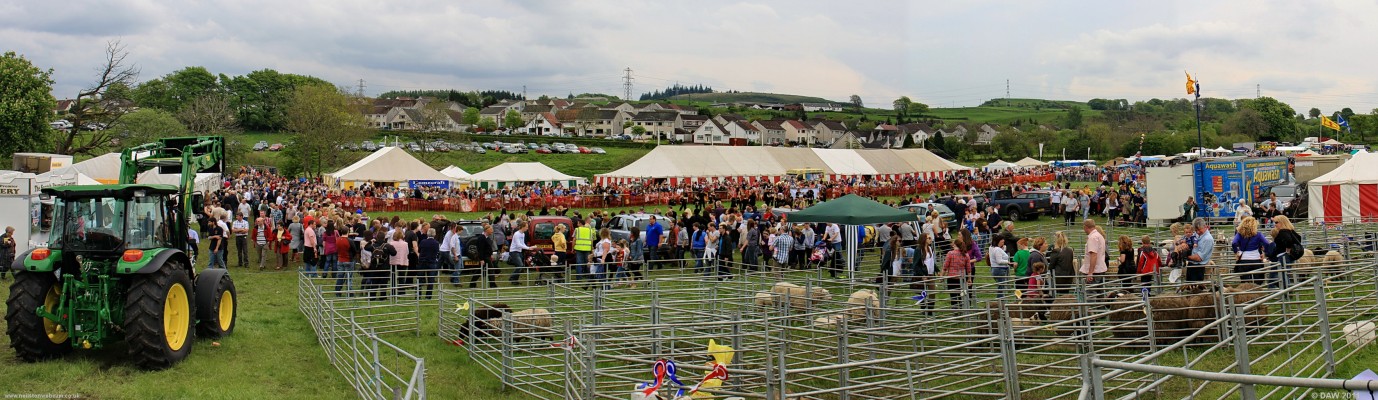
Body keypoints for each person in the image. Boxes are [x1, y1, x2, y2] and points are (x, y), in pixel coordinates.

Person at [1230, 216, 1270, 285]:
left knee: (1245, 282)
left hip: (1244, 260)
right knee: (1258, 281)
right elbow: (1266, 243)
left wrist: (1236, 251)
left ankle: (1246, 294)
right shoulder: (1258, 234)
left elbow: (1234, 243)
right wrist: (1265, 253)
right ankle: (1257, 294)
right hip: (1256, 259)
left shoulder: (1239, 234)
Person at [1267, 215, 1302, 289]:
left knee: (1283, 273)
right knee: (1284, 272)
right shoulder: (1290, 231)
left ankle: (1286, 291)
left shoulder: (1283, 231)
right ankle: (1286, 289)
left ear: (1282, 222)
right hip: (1289, 256)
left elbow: (1289, 240)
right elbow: (1299, 238)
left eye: (1276, 222)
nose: (1275, 224)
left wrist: (1288, 248)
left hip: (1283, 256)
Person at [942, 237, 971, 308]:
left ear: (954, 244)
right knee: (961, 294)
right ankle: (962, 308)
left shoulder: (950, 253)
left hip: (952, 277)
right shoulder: (965, 254)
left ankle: (955, 309)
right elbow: (968, 268)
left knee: (953, 295)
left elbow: (945, 266)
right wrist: (969, 279)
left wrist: (942, 276)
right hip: (961, 278)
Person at [1186, 218, 1215, 282]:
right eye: (1196, 230)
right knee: (1189, 286)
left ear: (1205, 226)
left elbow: (1199, 258)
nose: (1198, 232)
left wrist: (1185, 257)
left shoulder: (1207, 239)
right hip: (1191, 264)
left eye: (1199, 229)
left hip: (1198, 267)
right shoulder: (1197, 234)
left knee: (1196, 288)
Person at [1049, 232, 1076, 296]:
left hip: (1058, 277)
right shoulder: (1070, 250)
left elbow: (1051, 266)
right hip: (1069, 276)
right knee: (1065, 293)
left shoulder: (1056, 252)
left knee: (1057, 294)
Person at [1081, 219, 1107, 284]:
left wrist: (1090, 272)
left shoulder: (1093, 238)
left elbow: (1093, 255)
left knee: (1091, 292)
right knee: (1099, 292)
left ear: (1085, 227)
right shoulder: (1099, 236)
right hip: (1100, 268)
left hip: (1095, 271)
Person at [417, 229, 440, 299]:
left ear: (427, 234)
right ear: (434, 234)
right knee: (431, 280)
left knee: (420, 279)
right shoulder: (436, 243)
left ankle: (418, 295)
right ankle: (428, 296)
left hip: (422, 262)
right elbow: (437, 252)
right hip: (432, 262)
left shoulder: (423, 241)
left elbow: (419, 250)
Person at [507, 221, 530, 286]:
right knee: (520, 265)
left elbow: (522, 244)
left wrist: (529, 247)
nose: (527, 228)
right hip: (514, 251)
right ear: (522, 227)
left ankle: (515, 280)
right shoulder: (517, 234)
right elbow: (518, 244)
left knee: (519, 266)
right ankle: (512, 278)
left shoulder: (523, 234)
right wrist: (528, 248)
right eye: (526, 227)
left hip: (519, 251)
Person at [572, 219, 595, 283]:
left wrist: (572, 248)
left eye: (578, 223)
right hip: (587, 248)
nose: (577, 224)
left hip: (579, 248)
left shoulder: (577, 229)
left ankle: (579, 277)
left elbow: (574, 240)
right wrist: (591, 249)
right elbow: (591, 240)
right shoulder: (590, 230)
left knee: (579, 263)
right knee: (588, 262)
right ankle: (588, 276)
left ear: (580, 223)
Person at [334, 229, 354, 295]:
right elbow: (354, 250)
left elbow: (336, 249)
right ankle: (349, 292)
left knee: (340, 276)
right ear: (348, 232)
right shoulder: (349, 241)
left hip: (340, 260)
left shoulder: (338, 240)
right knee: (349, 277)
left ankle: (337, 291)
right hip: (348, 260)